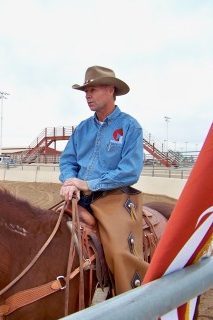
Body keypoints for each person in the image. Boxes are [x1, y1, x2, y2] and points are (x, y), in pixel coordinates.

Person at [59, 65, 147, 295]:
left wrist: (88, 184)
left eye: (93, 90)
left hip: (114, 198)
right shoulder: (82, 129)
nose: (88, 96)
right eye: (86, 91)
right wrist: (70, 181)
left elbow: (130, 171)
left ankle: (132, 304)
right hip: (79, 197)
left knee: (120, 254)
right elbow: (67, 160)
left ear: (110, 90)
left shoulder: (130, 127)